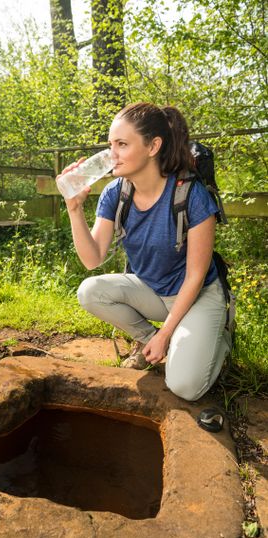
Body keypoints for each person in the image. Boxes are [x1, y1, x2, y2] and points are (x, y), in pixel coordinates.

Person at [58, 102, 231, 402]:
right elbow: (92, 259)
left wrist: (166, 333)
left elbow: (195, 276)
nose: (112, 154)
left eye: (122, 145)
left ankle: (221, 338)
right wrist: (74, 210)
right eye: (111, 144)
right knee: (90, 291)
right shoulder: (117, 193)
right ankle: (151, 341)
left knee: (185, 386)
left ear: (153, 146)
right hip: (153, 293)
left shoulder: (191, 195)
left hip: (197, 295)